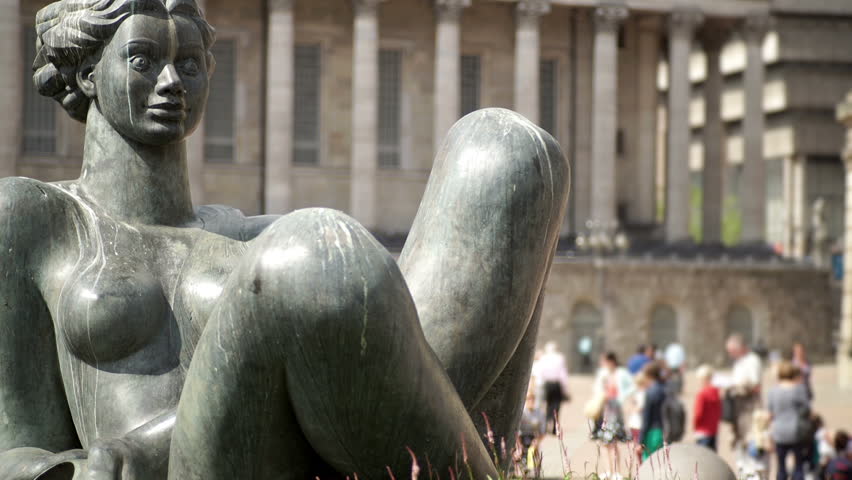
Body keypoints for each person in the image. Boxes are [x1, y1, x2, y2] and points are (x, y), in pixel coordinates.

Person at [0, 1, 570, 478]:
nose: (172, 82)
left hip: (307, 444)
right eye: (144, 60)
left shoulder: (252, 236)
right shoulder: (36, 218)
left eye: (190, 64)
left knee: (506, 152)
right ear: (87, 74)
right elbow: (14, 450)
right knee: (313, 253)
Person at [767, 362, 812, 480]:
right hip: (796, 431)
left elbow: (770, 413)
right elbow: (806, 409)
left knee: (781, 467)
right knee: (798, 466)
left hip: (779, 431)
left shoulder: (773, 391)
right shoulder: (799, 389)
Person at [727, 334, 764, 451]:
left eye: (732, 351)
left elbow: (756, 386)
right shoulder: (738, 362)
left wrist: (739, 387)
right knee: (739, 442)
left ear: (741, 348)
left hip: (750, 407)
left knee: (752, 440)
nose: (730, 354)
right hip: (738, 407)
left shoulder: (752, 360)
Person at [592, 352, 634, 445]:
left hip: (617, 404)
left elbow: (632, 386)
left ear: (611, 361)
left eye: (604, 361)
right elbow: (597, 387)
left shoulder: (622, 372)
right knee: (605, 429)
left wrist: (626, 396)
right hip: (605, 404)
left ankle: (616, 439)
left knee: (616, 428)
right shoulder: (603, 373)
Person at [534, 342, 571, 434]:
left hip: (547, 384)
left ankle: (546, 423)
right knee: (557, 405)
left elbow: (540, 372)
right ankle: (555, 426)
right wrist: (565, 388)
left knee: (548, 405)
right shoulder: (559, 358)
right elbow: (563, 374)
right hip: (556, 384)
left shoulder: (544, 358)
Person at [638, 362, 666, 461]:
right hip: (665, 431)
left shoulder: (650, 392)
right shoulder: (665, 389)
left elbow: (646, 419)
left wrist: (640, 441)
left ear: (648, 375)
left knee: (649, 463)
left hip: (652, 432)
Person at [693, 365, 722, 452]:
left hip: (702, 431)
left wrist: (695, 425)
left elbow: (698, 413)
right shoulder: (716, 393)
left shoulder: (702, 394)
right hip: (713, 430)